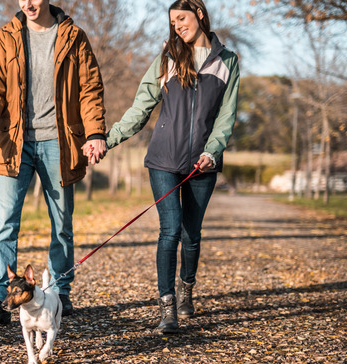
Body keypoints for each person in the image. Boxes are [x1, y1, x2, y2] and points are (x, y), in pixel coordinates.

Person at [96, 0, 239, 333]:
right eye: (173, 21)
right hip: (163, 160)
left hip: (202, 164)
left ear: (200, 15)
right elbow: (140, 107)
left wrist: (212, 152)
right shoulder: (168, 59)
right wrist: (108, 138)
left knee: (191, 234)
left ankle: (187, 287)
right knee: (169, 231)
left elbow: (226, 116)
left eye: (182, 18)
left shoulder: (227, 62)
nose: (177, 25)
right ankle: (168, 308)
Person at [0, 0, 107, 324]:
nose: (28, 3)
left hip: (59, 143)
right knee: (4, 223)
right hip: (13, 142)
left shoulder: (73, 36)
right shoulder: (6, 36)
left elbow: (90, 89)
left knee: (61, 223)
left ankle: (60, 291)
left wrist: (94, 133)